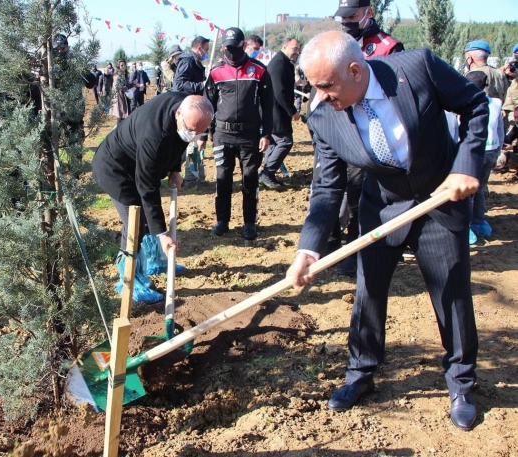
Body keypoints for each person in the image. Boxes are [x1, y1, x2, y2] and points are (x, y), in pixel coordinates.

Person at [287, 31, 488, 431]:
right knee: (369, 291)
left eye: (326, 85)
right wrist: (308, 250)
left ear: (356, 70)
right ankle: (360, 373)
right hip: (383, 209)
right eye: (314, 87)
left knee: (451, 292)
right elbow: (327, 186)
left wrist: (466, 165)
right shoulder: (324, 116)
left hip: (440, 201)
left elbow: (475, 105)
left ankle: (461, 383)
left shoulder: (418, 68)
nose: (321, 95)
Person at [332, 0, 405, 277]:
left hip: (370, 132)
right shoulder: (336, 43)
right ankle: (331, 245)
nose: (346, 21)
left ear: (367, 13)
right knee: (331, 187)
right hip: (338, 128)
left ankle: (357, 250)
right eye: (342, 16)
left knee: (360, 194)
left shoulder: (387, 47)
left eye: (352, 15)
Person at [92, 92, 213, 255]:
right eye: (190, 130)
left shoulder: (187, 106)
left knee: (148, 219)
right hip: (115, 167)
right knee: (135, 222)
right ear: (178, 113)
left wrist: (175, 170)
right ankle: (129, 274)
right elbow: (147, 187)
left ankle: (153, 261)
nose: (193, 135)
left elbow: (179, 141)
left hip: (139, 159)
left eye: (199, 132)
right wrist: (163, 235)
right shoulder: (154, 138)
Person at [205, 27, 274, 241]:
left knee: (249, 179)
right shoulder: (216, 72)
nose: (231, 52)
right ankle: (222, 220)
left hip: (250, 135)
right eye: (228, 48)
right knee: (223, 178)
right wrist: (206, 133)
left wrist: (267, 133)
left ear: (244, 45)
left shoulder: (259, 71)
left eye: (235, 48)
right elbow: (207, 104)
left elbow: (268, 104)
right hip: (222, 134)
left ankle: (249, 222)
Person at [464, 71, 503, 241]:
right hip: (491, 151)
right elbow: (500, 130)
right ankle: (479, 222)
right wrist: (498, 151)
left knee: (466, 193)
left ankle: (467, 229)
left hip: (473, 152)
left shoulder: (465, 103)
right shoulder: (496, 103)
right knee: (480, 189)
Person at [259, 38, 301, 190]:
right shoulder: (279, 64)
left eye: (298, 49)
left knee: (275, 141)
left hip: (276, 110)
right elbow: (279, 92)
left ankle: (267, 173)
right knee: (285, 141)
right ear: (284, 46)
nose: (297, 51)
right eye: (294, 48)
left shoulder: (284, 62)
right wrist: (293, 111)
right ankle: (267, 172)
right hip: (277, 111)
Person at [174, 36, 211, 186]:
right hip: (187, 109)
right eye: (206, 49)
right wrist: (201, 85)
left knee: (193, 145)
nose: (207, 52)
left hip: (195, 108)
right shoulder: (187, 61)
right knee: (191, 145)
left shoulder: (194, 62)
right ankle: (190, 178)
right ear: (199, 47)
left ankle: (194, 175)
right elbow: (180, 85)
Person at [109, 59, 132, 125]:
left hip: (126, 97)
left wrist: (133, 84)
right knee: (121, 116)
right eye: (122, 65)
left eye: (124, 65)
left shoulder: (125, 75)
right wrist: (125, 88)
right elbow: (116, 86)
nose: (123, 66)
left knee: (126, 115)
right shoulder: (117, 76)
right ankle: (117, 132)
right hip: (120, 98)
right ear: (118, 66)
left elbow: (127, 85)